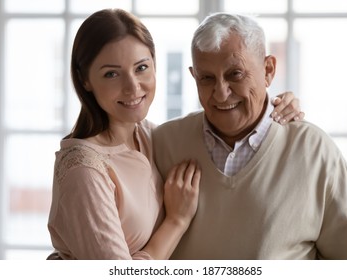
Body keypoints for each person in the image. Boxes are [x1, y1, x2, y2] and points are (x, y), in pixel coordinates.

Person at [47, 9, 303, 260]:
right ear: (85, 80)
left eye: (141, 68)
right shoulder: (84, 171)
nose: (133, 87)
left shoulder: (152, 137)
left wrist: (275, 106)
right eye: (111, 73)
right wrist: (176, 221)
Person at [152, 12, 347, 259]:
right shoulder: (162, 144)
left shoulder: (315, 151)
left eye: (235, 74)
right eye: (207, 78)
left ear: (268, 70)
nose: (221, 93)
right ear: (194, 76)